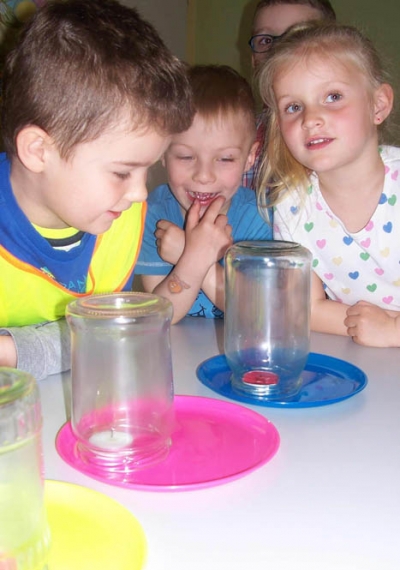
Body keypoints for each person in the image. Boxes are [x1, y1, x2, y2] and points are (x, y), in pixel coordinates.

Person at [0, 0, 193, 379]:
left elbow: (104, 335)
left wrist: (14, 351)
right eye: (122, 172)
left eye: (148, 168)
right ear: (39, 151)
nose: (140, 194)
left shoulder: (116, 218)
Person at [257, 22, 399, 347]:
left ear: (378, 105)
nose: (310, 119)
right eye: (293, 107)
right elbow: (303, 310)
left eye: (333, 97)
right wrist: (371, 329)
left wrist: (393, 331)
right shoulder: (291, 204)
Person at [135, 65, 272, 323]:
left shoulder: (260, 217)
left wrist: (192, 256)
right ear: (162, 152)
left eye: (225, 159)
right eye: (186, 156)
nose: (204, 176)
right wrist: (195, 259)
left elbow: (255, 312)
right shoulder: (154, 215)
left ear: (250, 157)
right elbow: (160, 316)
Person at [243, 0, 336, 189]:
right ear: (253, 60)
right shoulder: (239, 138)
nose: (279, 51)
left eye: (298, 36)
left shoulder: (342, 134)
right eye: (266, 41)